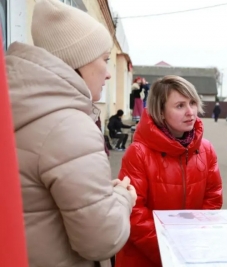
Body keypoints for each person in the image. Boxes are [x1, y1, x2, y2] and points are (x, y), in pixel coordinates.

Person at [6, 0, 137, 266]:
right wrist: (124, 198)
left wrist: (102, 197)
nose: (109, 74)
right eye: (105, 60)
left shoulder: (24, 108)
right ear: (80, 61)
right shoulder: (69, 126)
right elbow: (102, 241)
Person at [115, 75, 223, 267]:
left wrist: (192, 245)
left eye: (192, 103)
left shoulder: (206, 149)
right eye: (180, 106)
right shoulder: (138, 153)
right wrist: (170, 252)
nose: (190, 112)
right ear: (161, 111)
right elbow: (134, 212)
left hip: (190, 253)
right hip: (146, 256)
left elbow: (213, 199)